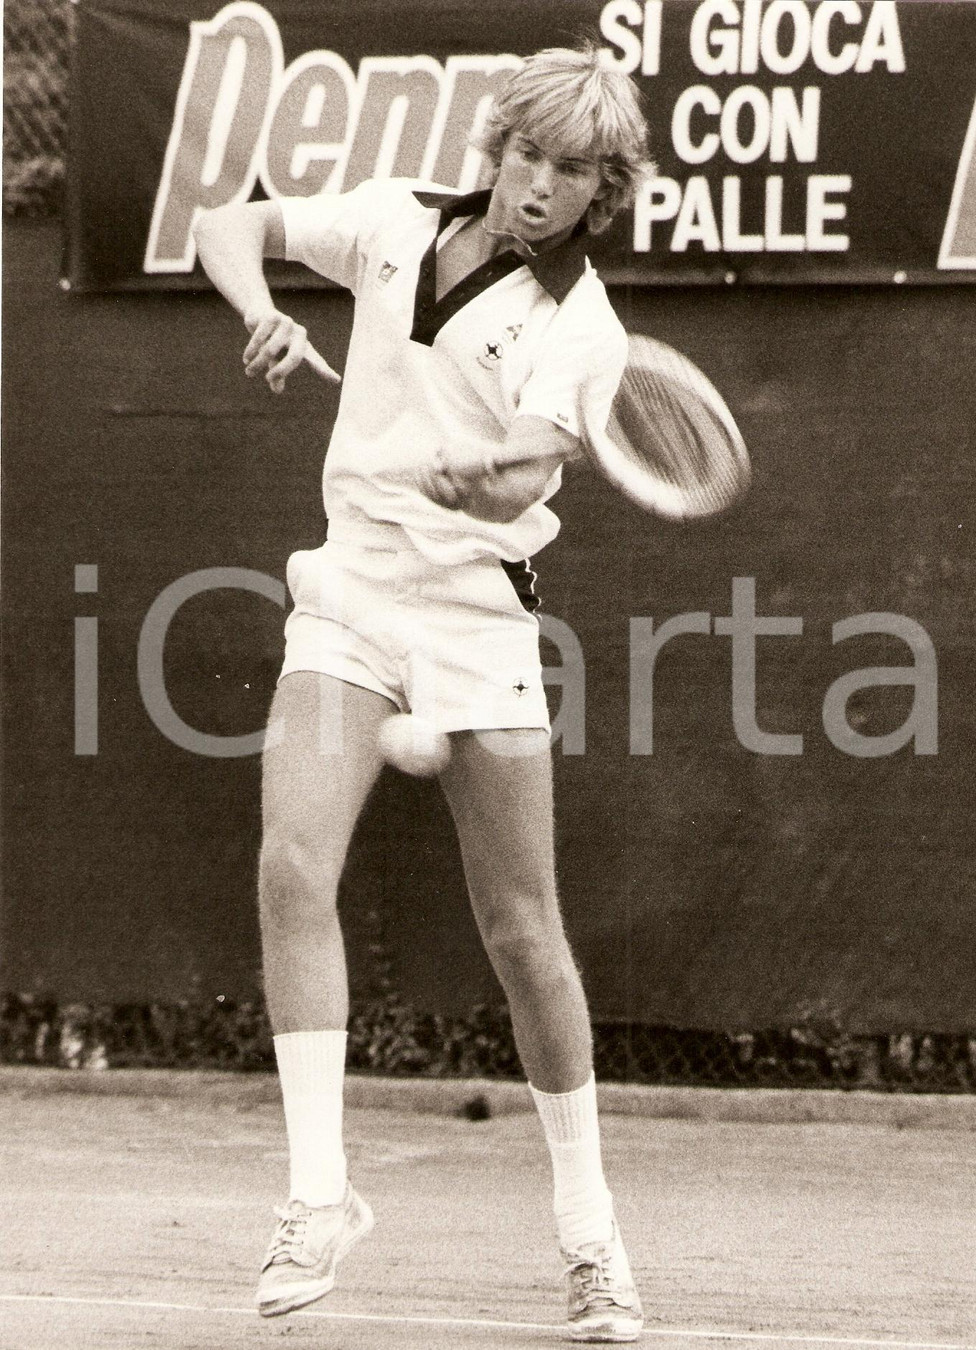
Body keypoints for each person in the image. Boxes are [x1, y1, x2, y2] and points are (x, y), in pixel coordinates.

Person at [194, 42, 655, 1344]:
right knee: (292, 866)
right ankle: (318, 1193)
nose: (538, 186)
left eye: (570, 172)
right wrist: (261, 311)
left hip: (476, 613)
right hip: (348, 592)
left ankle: (590, 1232)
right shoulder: (395, 220)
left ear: (598, 188)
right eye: (526, 154)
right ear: (497, 145)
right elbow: (230, 222)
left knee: (523, 932)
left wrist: (486, 482)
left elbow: (528, 478)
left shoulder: (579, 321)